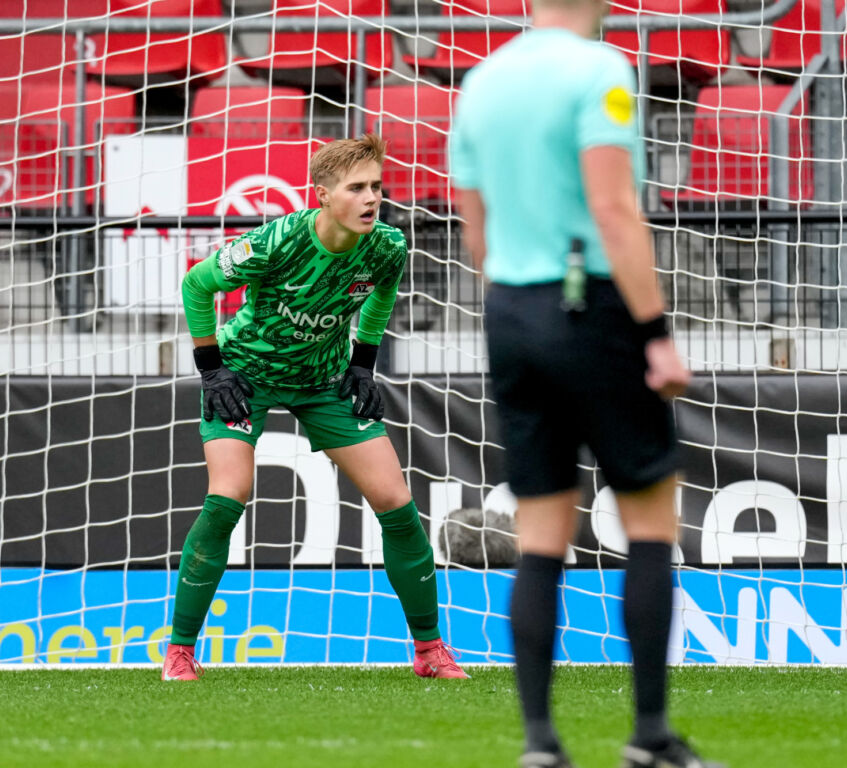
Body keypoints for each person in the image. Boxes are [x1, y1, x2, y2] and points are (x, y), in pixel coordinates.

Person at [450, 2, 723, 766]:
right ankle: (649, 735)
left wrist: (521, 304)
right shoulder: (601, 70)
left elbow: (474, 228)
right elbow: (612, 208)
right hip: (591, 305)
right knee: (649, 523)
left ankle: (540, 742)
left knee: (541, 534)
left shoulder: (482, 81)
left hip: (509, 308)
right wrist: (655, 333)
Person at [162, 134, 467, 682]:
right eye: (357, 188)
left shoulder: (387, 246)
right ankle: (180, 651)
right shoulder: (274, 241)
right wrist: (212, 369)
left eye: (376, 186)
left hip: (325, 382)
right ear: (323, 195)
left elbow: (380, 295)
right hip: (244, 377)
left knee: (396, 502)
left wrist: (363, 365)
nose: (371, 198)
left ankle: (429, 651)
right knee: (228, 497)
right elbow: (196, 284)